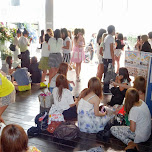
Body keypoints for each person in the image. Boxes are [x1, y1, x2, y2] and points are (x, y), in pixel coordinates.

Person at [103, 25, 115, 94]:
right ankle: (106, 90)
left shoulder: (106, 37)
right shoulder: (111, 38)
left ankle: (105, 88)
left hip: (105, 57)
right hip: (109, 58)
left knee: (106, 73)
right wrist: (113, 60)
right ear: (113, 30)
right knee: (108, 74)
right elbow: (111, 50)